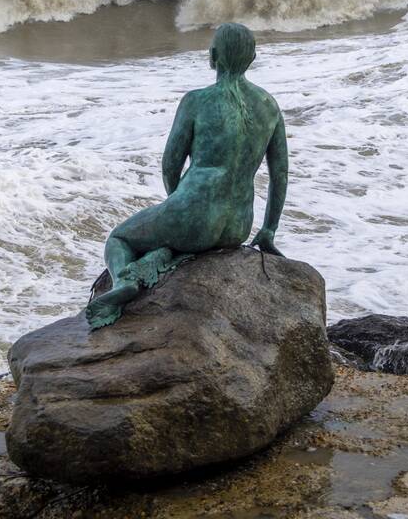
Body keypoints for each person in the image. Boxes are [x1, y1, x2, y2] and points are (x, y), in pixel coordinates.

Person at [85, 22, 289, 329]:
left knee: (119, 238)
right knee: (171, 240)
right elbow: (281, 173)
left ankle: (122, 284)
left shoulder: (196, 101)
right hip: (238, 227)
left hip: (193, 213)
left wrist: (177, 205)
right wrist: (269, 230)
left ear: (213, 56)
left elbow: (170, 164)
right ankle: (165, 250)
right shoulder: (269, 106)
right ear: (252, 58)